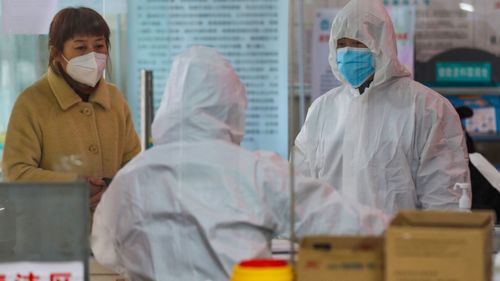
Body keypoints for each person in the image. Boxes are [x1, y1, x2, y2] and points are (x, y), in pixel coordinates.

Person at [91, 46, 387, 281]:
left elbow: (104, 250)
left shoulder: (133, 176)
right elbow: (338, 221)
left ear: (170, 103)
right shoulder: (256, 171)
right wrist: (413, 235)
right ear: (231, 106)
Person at [293, 0, 470, 214]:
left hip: (400, 244)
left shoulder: (428, 108)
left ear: (381, 44)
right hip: (334, 243)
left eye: (358, 43)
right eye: (342, 44)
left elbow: (445, 200)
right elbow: (300, 188)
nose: (348, 52)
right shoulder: (322, 110)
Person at [2, 7, 141, 211]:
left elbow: (134, 164)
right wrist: (75, 186)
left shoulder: (115, 99)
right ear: (56, 52)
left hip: (111, 228)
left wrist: (111, 189)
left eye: (99, 45)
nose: (92, 55)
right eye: (80, 47)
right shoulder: (32, 102)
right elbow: (15, 172)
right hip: (50, 232)